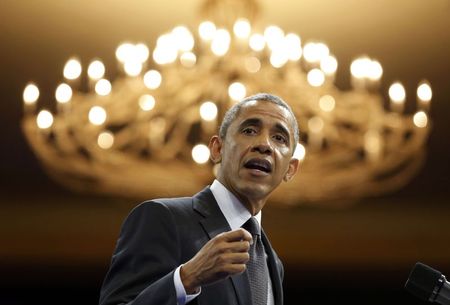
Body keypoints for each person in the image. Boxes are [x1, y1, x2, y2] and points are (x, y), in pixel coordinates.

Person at [99, 93, 300, 305]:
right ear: (217, 149)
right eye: (249, 130)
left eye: (279, 138)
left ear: (290, 169)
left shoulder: (272, 263)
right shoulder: (162, 217)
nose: (264, 144)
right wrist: (186, 278)